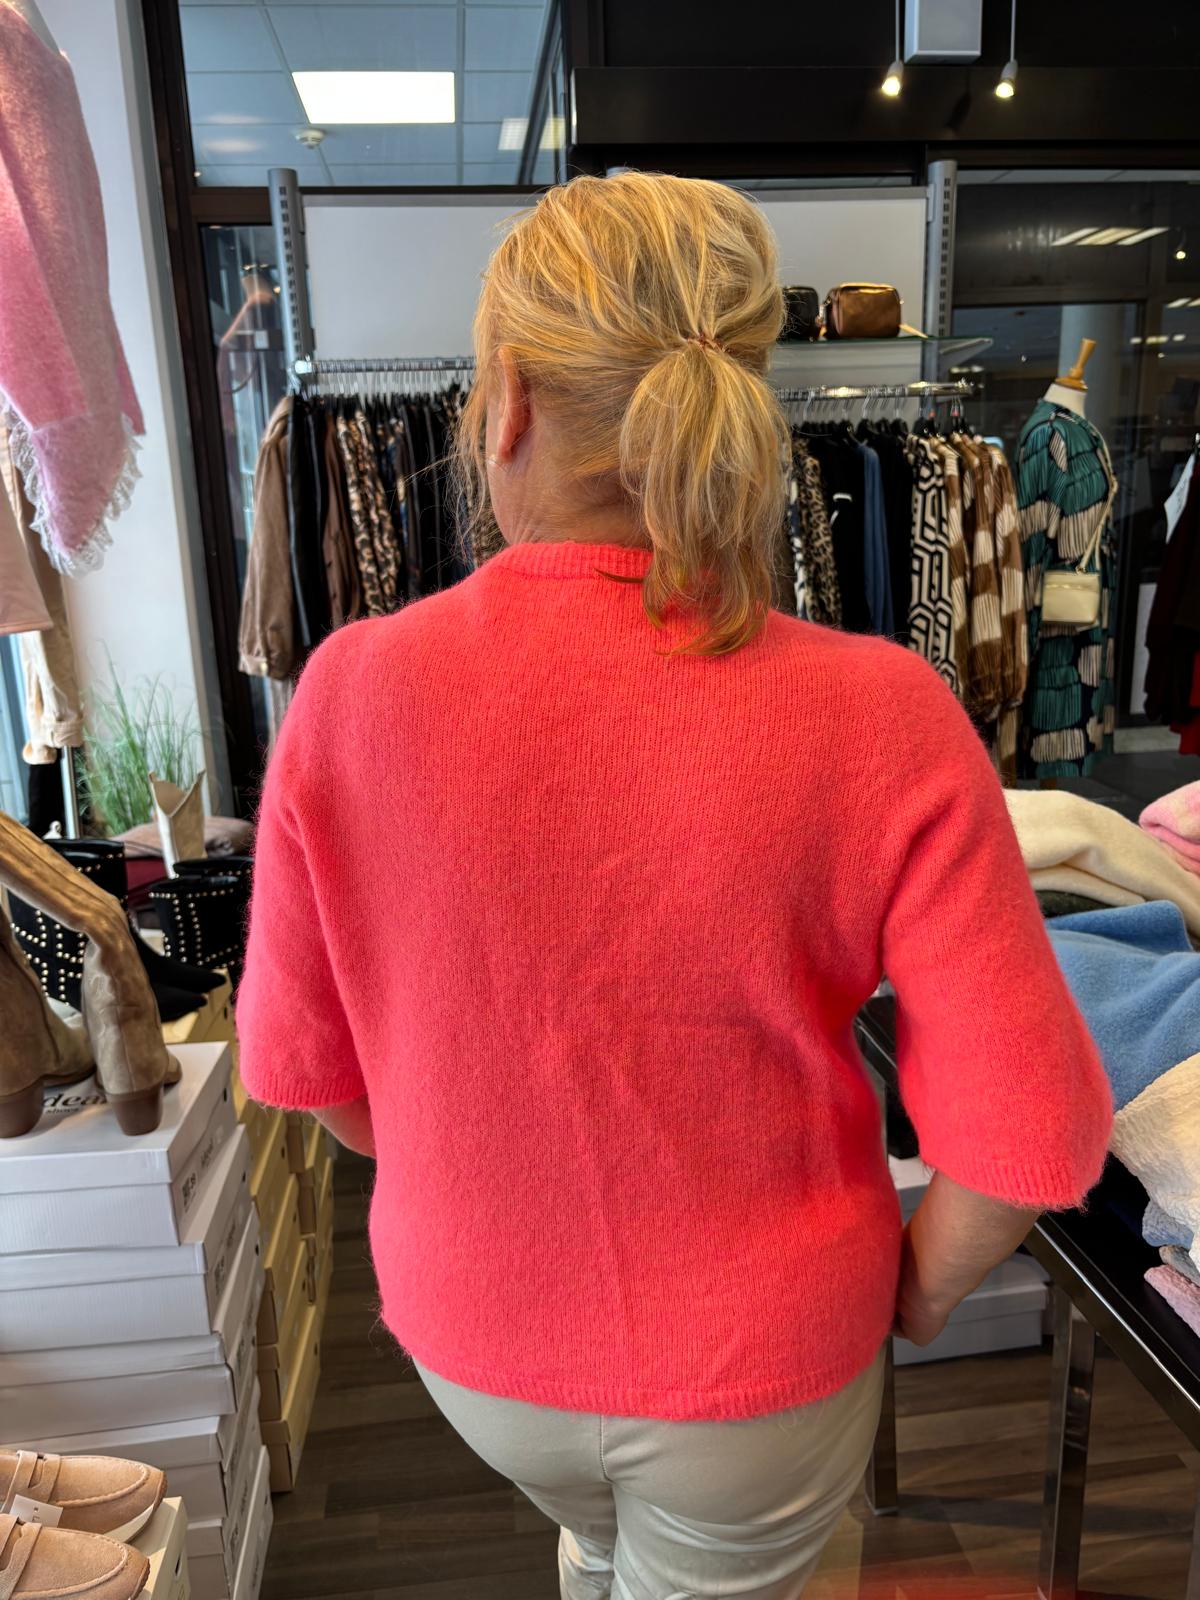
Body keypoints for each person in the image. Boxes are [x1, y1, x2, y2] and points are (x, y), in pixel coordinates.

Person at [237, 172, 1111, 1599]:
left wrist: (490, 1187)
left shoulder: (349, 693)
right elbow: (1030, 1134)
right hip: (762, 1372)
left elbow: (314, 1077)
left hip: (475, 1352)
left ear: (508, 402)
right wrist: (915, 1288)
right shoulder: (880, 711)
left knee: (598, 1543)